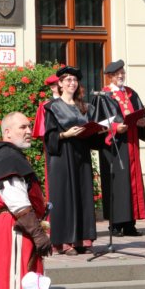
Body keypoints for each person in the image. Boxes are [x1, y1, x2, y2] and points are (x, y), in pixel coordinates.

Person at [0, 111, 52, 289]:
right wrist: (38, 234)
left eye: (29, 126)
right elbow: (17, 203)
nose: (29, 131)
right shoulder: (7, 158)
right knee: (18, 282)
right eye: (22, 127)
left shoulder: (10, 155)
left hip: (16, 226)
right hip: (15, 228)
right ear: (7, 132)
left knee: (22, 280)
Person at [44, 66, 101, 255]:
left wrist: (100, 131)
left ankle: (82, 240)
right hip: (62, 156)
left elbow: (93, 136)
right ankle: (64, 242)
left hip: (81, 155)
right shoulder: (52, 107)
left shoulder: (84, 107)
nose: (72, 83)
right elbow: (49, 138)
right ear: (60, 84)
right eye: (68, 80)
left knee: (83, 194)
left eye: (75, 80)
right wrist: (65, 134)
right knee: (65, 197)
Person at [91, 59, 145, 237]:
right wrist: (115, 127)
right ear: (110, 77)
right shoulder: (103, 95)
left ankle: (130, 224)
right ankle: (115, 224)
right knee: (116, 183)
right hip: (113, 146)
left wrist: (142, 122)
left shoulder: (132, 93)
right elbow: (97, 123)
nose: (121, 76)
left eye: (122, 73)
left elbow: (141, 115)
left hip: (131, 144)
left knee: (132, 182)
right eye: (117, 74)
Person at [32, 74, 60, 199]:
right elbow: (43, 132)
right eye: (58, 85)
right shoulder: (45, 106)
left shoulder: (72, 102)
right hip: (54, 146)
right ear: (52, 87)